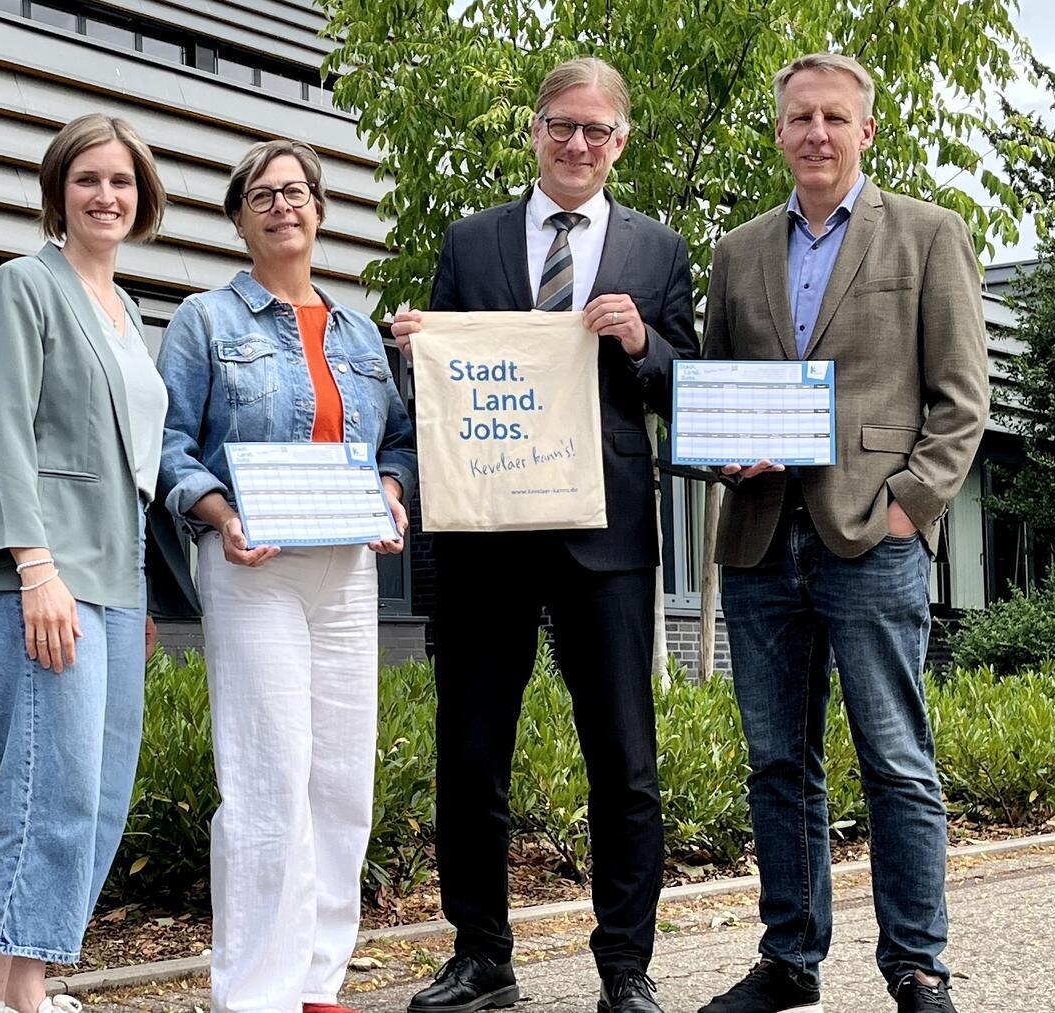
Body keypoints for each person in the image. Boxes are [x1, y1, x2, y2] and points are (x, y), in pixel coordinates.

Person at [392, 56, 697, 1013]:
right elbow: (436, 390)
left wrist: (644, 343)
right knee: (472, 749)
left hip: (605, 535)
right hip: (487, 534)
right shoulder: (470, 240)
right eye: (562, 125)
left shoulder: (658, 251)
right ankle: (482, 955)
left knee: (623, 754)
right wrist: (417, 351)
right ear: (535, 130)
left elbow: (688, 388)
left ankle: (625, 969)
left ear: (622, 141)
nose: (577, 144)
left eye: (596, 130)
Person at [697, 53, 988, 1013]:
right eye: (799, 118)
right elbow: (721, 393)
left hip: (874, 536)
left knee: (895, 756)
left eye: (834, 117)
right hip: (760, 540)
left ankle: (917, 962)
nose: (815, 133)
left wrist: (911, 505)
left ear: (867, 130)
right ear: (778, 132)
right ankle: (790, 959)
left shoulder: (929, 234)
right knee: (778, 761)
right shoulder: (736, 252)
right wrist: (722, 452)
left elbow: (961, 402)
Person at [157, 139, 417, 1013]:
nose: (282, 206)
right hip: (252, 566)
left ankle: (319, 983)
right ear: (238, 217)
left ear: (318, 210)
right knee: (267, 775)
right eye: (262, 194)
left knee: (342, 777)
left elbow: (399, 442)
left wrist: (389, 491)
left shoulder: (359, 335)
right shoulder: (205, 320)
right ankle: (257, 994)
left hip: (345, 568)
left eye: (297, 191)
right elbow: (168, 448)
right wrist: (220, 515)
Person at [0, 113, 170, 1013]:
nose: (106, 196)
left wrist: (141, 592)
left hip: (118, 585)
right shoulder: (24, 286)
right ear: (59, 191)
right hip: (45, 576)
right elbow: (2, 430)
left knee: (99, 798)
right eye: (88, 179)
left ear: (143, 197)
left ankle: (29, 992)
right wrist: (37, 567)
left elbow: (130, 466)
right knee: (44, 789)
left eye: (121, 181)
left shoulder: (127, 312)